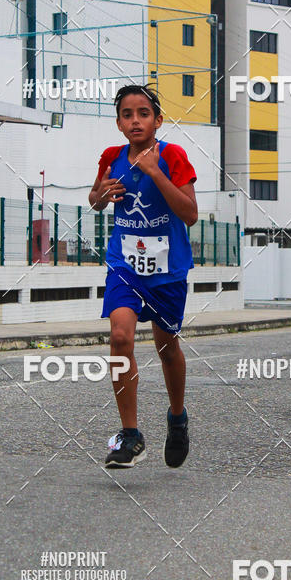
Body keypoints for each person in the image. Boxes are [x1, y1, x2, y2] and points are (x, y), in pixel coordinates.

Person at [89, 84, 198, 468]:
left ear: (157, 120)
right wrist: (101, 194)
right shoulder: (111, 157)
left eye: (143, 113)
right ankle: (131, 435)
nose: (135, 120)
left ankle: (177, 416)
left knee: (167, 347)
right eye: (127, 114)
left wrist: (155, 172)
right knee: (120, 336)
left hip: (167, 268)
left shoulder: (174, 156)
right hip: (125, 264)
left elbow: (190, 214)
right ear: (119, 123)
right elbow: (95, 199)